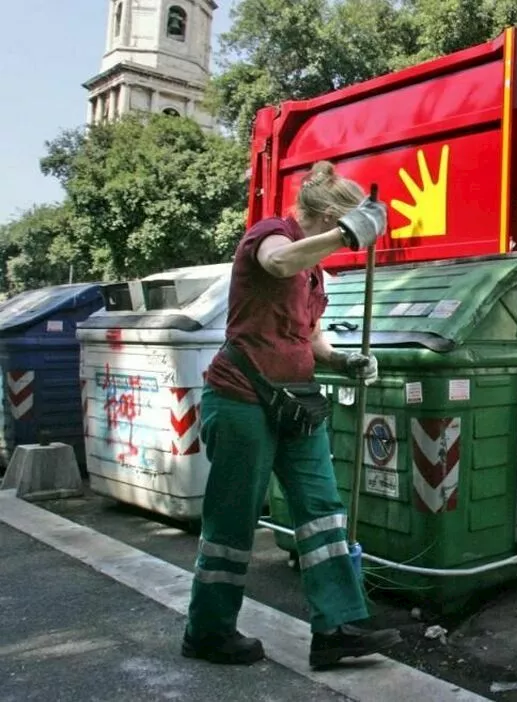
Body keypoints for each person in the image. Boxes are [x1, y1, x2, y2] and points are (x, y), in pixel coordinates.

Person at [182, 161, 402, 669]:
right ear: (327, 216)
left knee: (323, 512)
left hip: (295, 402)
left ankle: (337, 627)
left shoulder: (315, 272)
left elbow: (310, 336)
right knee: (233, 518)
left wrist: (344, 359)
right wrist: (347, 234)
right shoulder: (272, 234)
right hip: (240, 398)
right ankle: (208, 631)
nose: (352, 244)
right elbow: (278, 263)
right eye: (345, 229)